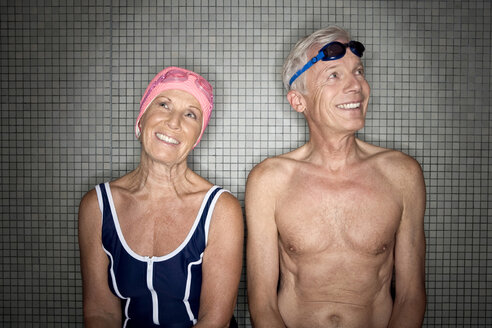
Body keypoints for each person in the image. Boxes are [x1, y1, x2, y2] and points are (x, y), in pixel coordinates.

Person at [246, 26, 426, 327]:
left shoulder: (401, 174)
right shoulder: (269, 180)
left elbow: (411, 296)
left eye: (358, 71)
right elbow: (262, 303)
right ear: (298, 101)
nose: (356, 85)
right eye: (334, 75)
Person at [78, 66, 244, 327]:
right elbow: (101, 312)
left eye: (190, 114)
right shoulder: (97, 206)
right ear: (142, 117)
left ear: (197, 136)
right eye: (164, 105)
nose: (174, 122)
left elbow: (215, 319)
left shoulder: (221, 209)